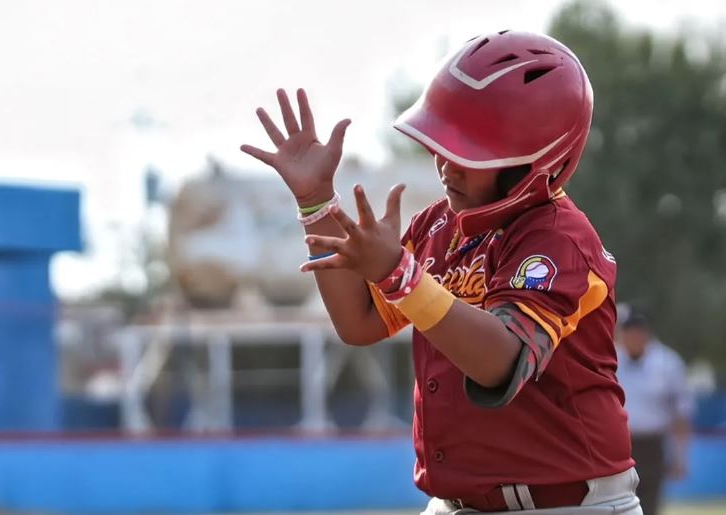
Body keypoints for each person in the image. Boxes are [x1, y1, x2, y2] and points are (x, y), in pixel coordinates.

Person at [242, 30, 640, 514]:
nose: (446, 165)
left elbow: (499, 362)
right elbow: (359, 322)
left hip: (564, 505)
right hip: (456, 503)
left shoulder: (560, 240)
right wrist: (316, 201)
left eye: (470, 151)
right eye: (442, 143)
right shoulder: (438, 225)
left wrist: (400, 276)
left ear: (533, 161)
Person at [617, 307, 693, 515]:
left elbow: (681, 413)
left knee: (649, 504)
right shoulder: (611, 359)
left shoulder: (667, 363)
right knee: (617, 502)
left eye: (638, 332)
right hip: (619, 444)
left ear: (647, 334)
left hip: (652, 444)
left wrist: (680, 457)